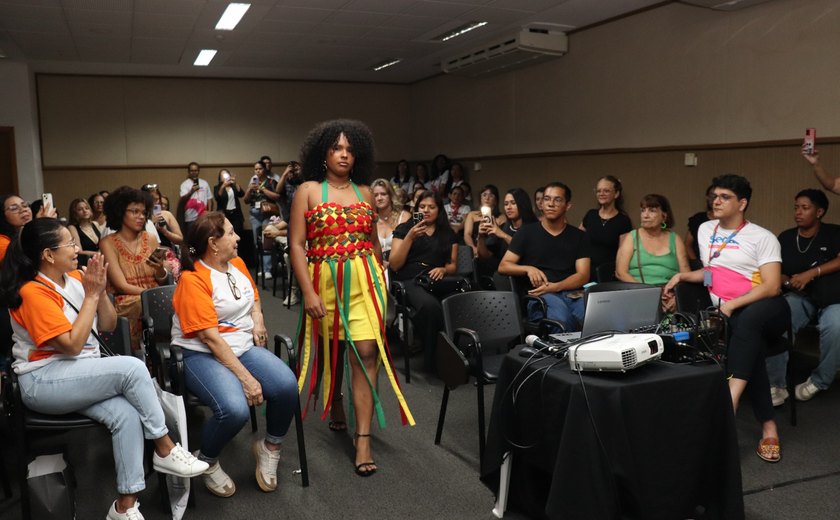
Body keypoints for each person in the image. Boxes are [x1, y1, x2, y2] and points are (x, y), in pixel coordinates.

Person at [0, 217, 208, 520]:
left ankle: (124, 506)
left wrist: (99, 293)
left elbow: (108, 324)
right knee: (133, 368)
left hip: (78, 374)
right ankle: (164, 447)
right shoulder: (32, 292)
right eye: (69, 243)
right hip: (43, 380)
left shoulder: (73, 279)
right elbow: (71, 345)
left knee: (125, 415)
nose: (76, 248)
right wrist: (93, 295)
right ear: (47, 255)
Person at [290, 119, 414, 477]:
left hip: (365, 283)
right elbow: (297, 245)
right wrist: (308, 291)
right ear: (323, 153)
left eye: (349, 149)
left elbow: (374, 244)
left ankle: (363, 439)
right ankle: (337, 401)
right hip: (324, 283)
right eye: (336, 148)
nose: (344, 155)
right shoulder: (309, 191)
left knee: (365, 352)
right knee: (333, 350)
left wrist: (381, 281)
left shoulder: (364, 192)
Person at [664, 174, 789, 463]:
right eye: (714, 196)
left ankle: (728, 403)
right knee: (749, 339)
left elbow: (771, 286)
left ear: (742, 203)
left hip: (769, 308)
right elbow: (713, 272)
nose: (715, 201)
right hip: (736, 318)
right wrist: (683, 275)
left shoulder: (762, 237)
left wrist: (731, 306)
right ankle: (769, 428)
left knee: (749, 321)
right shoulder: (706, 229)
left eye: (724, 197)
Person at [170, 211, 297, 496]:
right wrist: (246, 379)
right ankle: (208, 460)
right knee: (234, 409)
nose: (238, 236)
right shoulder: (193, 279)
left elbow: (253, 294)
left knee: (287, 386)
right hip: (199, 354)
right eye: (230, 233)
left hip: (241, 347)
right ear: (213, 243)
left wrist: (259, 318)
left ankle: (269, 448)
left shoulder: (236, 263)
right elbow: (211, 340)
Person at [766, 189, 840, 405]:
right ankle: (776, 385)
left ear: (819, 212)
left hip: (833, 298)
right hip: (801, 296)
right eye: (796, 207)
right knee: (779, 320)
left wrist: (811, 273)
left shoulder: (834, 233)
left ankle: (819, 381)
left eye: (805, 208)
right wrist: (787, 281)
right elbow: (774, 268)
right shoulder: (786, 237)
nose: (798, 212)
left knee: (836, 327)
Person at [499, 182, 590, 332]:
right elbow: (503, 266)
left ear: (568, 205)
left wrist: (557, 286)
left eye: (557, 200)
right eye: (547, 199)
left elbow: (583, 275)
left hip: (571, 292)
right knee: (562, 321)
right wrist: (528, 268)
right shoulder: (526, 233)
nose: (551, 204)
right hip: (541, 295)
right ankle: (561, 354)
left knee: (593, 317)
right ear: (541, 204)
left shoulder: (579, 236)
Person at [390, 191, 458, 370]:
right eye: (422, 206)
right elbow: (395, 265)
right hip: (409, 279)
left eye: (432, 207)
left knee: (461, 299)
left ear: (439, 210)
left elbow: (452, 266)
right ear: (416, 208)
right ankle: (436, 359)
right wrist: (410, 237)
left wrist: (443, 269)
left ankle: (460, 350)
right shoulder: (405, 229)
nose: (426, 210)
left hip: (435, 278)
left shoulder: (447, 233)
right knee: (430, 307)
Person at [99, 186, 168, 352]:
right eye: (135, 211)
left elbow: (162, 278)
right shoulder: (108, 243)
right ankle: (138, 355)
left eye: (143, 212)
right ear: (121, 212)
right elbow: (121, 285)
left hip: (154, 296)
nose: (141, 217)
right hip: (127, 299)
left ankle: (166, 357)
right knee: (143, 304)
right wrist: (151, 296)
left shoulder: (150, 238)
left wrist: (160, 270)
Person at [615, 194, 690, 311]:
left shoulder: (675, 239)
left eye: (652, 210)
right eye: (642, 210)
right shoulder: (632, 237)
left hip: (668, 296)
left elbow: (686, 275)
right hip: (638, 294)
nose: (645, 215)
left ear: (664, 216)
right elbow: (621, 272)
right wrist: (650, 294)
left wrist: (677, 298)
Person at [580, 176, 633, 281]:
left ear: (616, 194)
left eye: (606, 191)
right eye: (598, 191)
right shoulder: (591, 214)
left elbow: (622, 253)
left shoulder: (623, 221)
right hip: (585, 270)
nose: (601, 194)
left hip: (608, 274)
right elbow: (578, 240)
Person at [477, 187, 538, 279]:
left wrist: (502, 235)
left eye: (513, 203)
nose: (508, 207)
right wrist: (480, 237)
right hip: (502, 274)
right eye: (506, 204)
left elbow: (528, 253)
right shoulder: (505, 227)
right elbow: (486, 256)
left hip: (527, 275)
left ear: (522, 204)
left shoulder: (534, 227)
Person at [244, 160, 281, 279]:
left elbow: (277, 196)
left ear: (265, 169)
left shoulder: (271, 181)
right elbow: (245, 200)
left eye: (260, 168)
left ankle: (268, 269)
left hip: (267, 213)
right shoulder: (252, 183)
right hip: (255, 215)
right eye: (256, 169)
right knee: (257, 243)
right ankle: (261, 268)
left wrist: (263, 189)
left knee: (267, 241)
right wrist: (250, 189)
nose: (257, 171)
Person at [1, 194, 55, 265]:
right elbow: (20, 262)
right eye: (14, 208)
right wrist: (37, 226)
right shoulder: (1, 241)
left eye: (25, 205)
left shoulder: (33, 230)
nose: (23, 210)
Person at [371, 177, 407, 269]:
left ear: (390, 195)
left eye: (383, 194)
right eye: (375, 195)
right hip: (376, 267)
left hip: (401, 268)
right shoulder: (370, 219)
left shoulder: (404, 217)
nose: (379, 198)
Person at [463, 185, 505, 256]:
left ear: (496, 200)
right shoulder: (472, 215)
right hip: (474, 249)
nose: (487, 198)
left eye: (491, 195)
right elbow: (467, 234)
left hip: (493, 251)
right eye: (484, 195)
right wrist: (473, 248)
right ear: (480, 198)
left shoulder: (502, 217)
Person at [140, 183, 183, 248]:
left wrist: (165, 232)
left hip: (166, 251)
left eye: (157, 199)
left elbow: (180, 239)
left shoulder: (166, 214)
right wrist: (150, 222)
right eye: (152, 199)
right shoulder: (139, 216)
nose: (155, 203)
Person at [178, 162, 213, 236]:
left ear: (199, 171)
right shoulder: (184, 184)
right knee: (192, 238)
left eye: (196, 170)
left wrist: (209, 213)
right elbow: (182, 200)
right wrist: (191, 191)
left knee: (203, 238)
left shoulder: (204, 183)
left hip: (203, 217)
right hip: (190, 218)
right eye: (192, 170)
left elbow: (209, 199)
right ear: (189, 172)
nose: (194, 172)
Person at [213, 169, 246, 240]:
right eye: (223, 175)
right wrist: (223, 186)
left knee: (237, 235)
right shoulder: (217, 187)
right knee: (225, 235)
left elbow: (241, 194)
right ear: (220, 178)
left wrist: (235, 183)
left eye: (226, 175)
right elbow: (217, 197)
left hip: (236, 214)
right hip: (224, 215)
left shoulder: (233, 186)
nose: (225, 177)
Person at [67, 198, 101, 268]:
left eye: (87, 208)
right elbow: (79, 251)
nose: (85, 211)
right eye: (80, 209)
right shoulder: (72, 228)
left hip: (99, 261)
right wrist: (99, 253)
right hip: (85, 263)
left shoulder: (95, 224)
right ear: (74, 213)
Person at [685, 184, 715, 263]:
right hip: (699, 264)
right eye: (712, 195)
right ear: (707, 197)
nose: (716, 199)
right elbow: (688, 245)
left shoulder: (728, 221)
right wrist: (695, 263)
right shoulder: (698, 219)